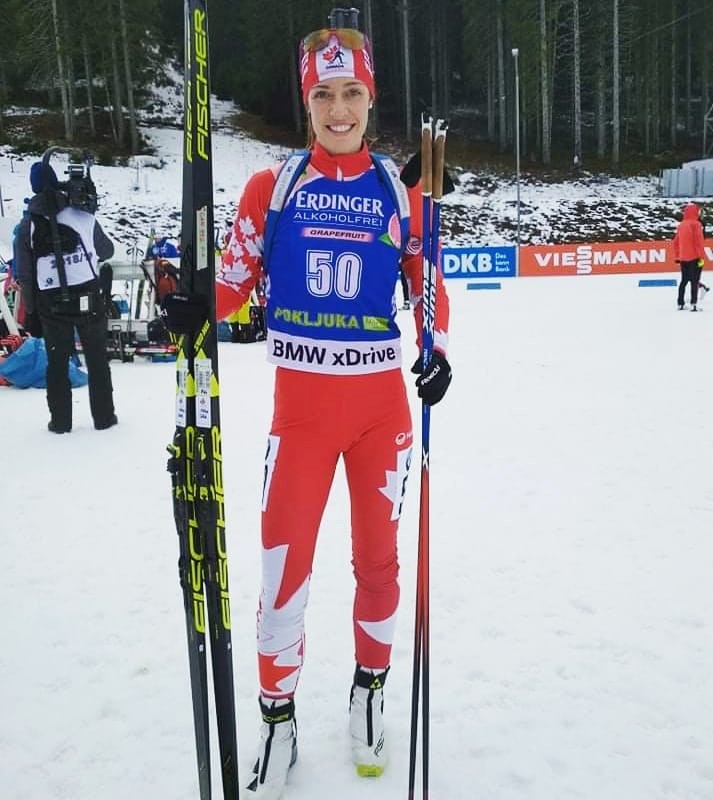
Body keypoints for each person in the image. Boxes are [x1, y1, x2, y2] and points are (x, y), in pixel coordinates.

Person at [215, 15, 451, 798]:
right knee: (283, 570)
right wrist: (189, 304)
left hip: (381, 414)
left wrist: (437, 350)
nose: (339, 109)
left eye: (353, 92)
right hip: (303, 416)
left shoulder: (398, 189)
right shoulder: (271, 186)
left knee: (379, 565)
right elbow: (228, 283)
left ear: (370, 97)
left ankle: (369, 694)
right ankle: (277, 718)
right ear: (306, 101)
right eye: (325, 94)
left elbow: (428, 289)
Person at [15, 160, 117, 432]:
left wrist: (32, 311)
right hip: (88, 296)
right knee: (97, 360)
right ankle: (104, 418)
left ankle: (60, 422)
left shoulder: (27, 226)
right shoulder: (81, 214)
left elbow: (24, 274)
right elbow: (106, 251)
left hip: (52, 303)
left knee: (57, 365)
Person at [673, 202, 705, 311]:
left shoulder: (681, 225)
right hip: (694, 257)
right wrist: (701, 257)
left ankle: (680, 303)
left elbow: (675, 242)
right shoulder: (696, 224)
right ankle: (693, 303)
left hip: (683, 258)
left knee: (684, 281)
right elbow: (698, 242)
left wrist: (678, 256)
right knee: (695, 281)